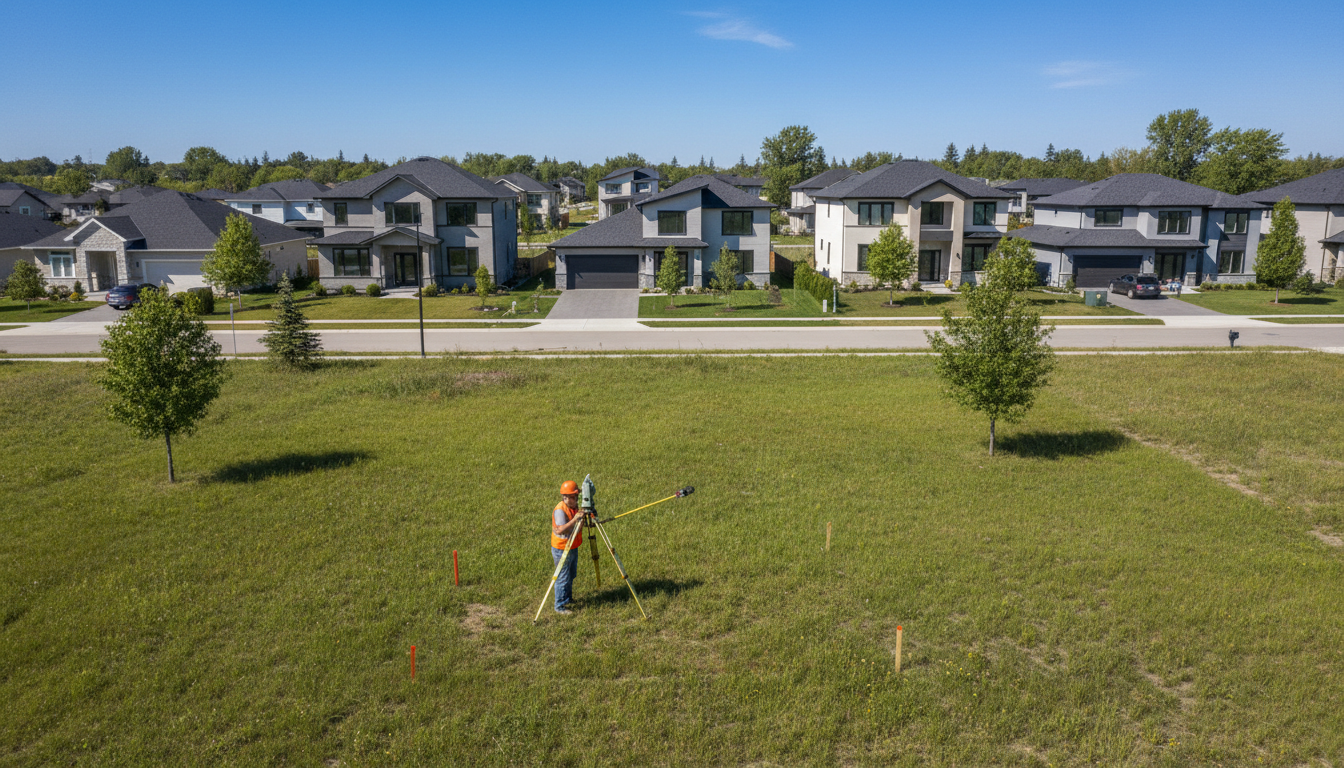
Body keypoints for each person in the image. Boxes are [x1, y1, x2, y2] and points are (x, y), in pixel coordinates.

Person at [550, 480, 586, 614]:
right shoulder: (560, 510)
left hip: (572, 547)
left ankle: (568, 599)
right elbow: (561, 530)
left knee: (571, 575)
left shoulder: (575, 507)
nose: (576, 499)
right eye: (573, 497)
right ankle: (559, 606)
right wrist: (575, 519)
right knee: (563, 577)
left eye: (577, 496)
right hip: (562, 549)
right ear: (565, 497)